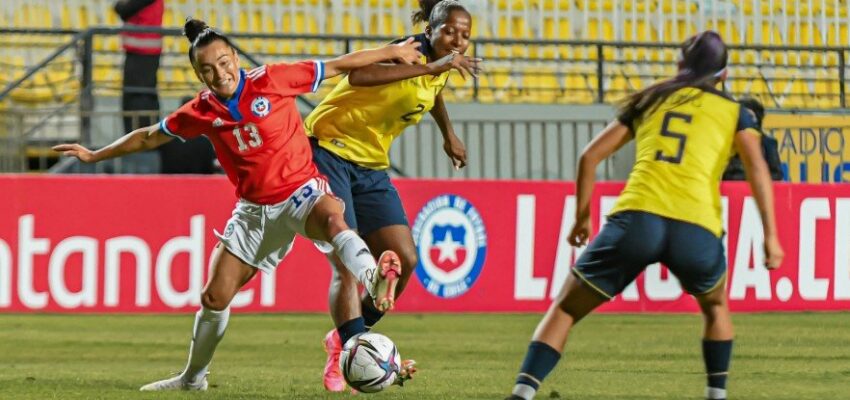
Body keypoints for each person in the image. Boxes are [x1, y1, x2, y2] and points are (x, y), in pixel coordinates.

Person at [53, 17, 424, 391]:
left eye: (224, 63)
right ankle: (192, 378)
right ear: (200, 74)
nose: (220, 73)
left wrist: (394, 51)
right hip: (254, 213)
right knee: (214, 297)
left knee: (332, 217)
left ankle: (373, 277)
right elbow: (149, 136)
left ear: (234, 57)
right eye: (208, 69)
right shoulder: (201, 111)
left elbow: (341, 64)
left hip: (301, 192)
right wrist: (95, 154)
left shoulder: (273, 79)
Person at [504, 31, 784, 400]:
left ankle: (522, 394)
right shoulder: (736, 113)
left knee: (566, 309)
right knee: (716, 306)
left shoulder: (653, 98)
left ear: (680, 66)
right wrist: (771, 236)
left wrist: (581, 218)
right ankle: (716, 394)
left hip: (636, 219)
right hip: (695, 226)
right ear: (724, 75)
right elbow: (758, 171)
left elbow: (589, 156)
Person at [302, 0, 481, 392]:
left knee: (407, 259)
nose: (458, 40)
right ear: (430, 29)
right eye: (450, 31)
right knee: (347, 264)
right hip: (329, 147)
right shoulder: (410, 52)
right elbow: (360, 75)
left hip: (371, 164)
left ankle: (345, 339)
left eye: (466, 35)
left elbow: (431, 91)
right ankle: (348, 353)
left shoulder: (440, 66)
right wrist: (432, 66)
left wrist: (447, 133)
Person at [114, 0, 163, 133]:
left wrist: (121, 5)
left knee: (139, 98)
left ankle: (142, 140)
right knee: (138, 97)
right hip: (141, 52)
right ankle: (139, 138)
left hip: (143, 53)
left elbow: (123, 10)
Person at [722, 97, 783, 181]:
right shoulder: (726, 142)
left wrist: (752, 178)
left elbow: (776, 174)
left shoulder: (768, 143)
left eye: (749, 116)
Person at [157, 96, 218, 174]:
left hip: (170, 183)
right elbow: (209, 170)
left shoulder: (166, 138)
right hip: (198, 184)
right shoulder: (205, 142)